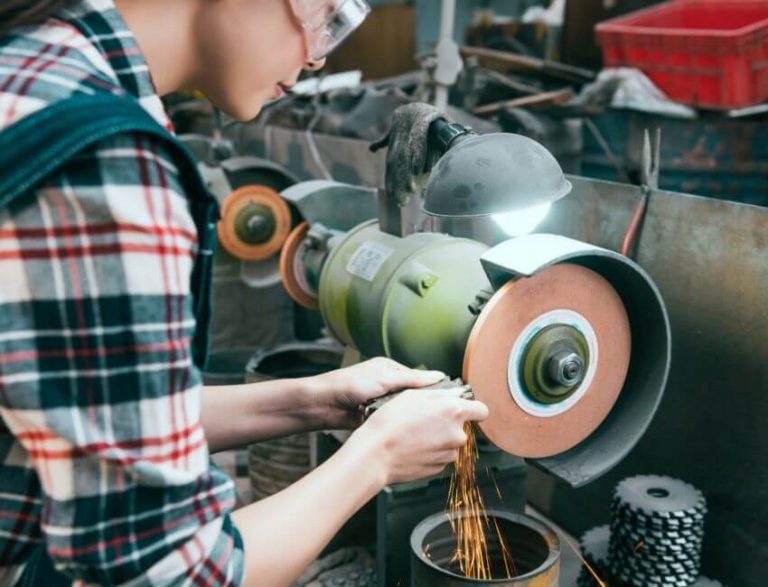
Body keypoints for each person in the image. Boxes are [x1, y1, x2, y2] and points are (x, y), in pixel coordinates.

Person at [0, 1, 489, 585]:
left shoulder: (37, 74)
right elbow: (173, 574)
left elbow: (105, 413)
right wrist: (378, 457)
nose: (318, 56)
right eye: (325, 13)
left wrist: (316, 400)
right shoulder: (106, 164)